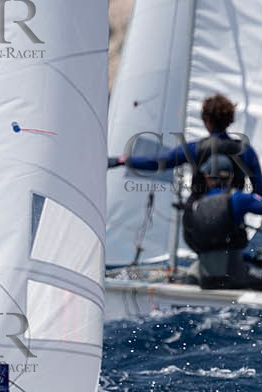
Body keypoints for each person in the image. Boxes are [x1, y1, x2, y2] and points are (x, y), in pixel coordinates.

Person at [111, 94, 262, 287]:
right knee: (234, 238)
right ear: (229, 119)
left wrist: (122, 160)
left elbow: (159, 162)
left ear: (206, 120)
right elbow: (259, 190)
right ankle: (232, 270)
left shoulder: (195, 148)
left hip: (197, 224)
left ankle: (201, 272)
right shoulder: (245, 151)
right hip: (230, 222)